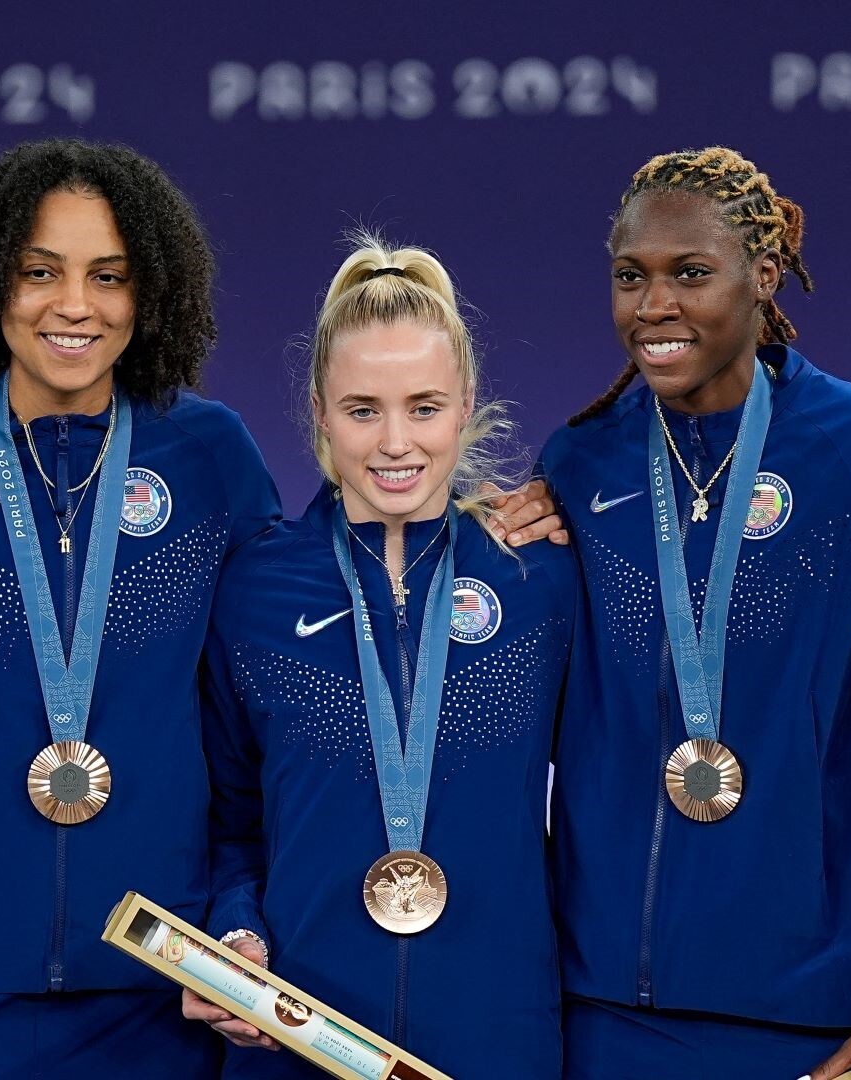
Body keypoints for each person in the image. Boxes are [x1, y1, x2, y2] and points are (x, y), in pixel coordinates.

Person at [0, 140, 566, 1078]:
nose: (75, 304)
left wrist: (512, 517)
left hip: (155, 1000)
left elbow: (271, 725)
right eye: (40, 272)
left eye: (110, 275)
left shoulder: (210, 458)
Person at [540, 147, 851, 1080]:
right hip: (603, 1013)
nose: (654, 306)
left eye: (690, 273)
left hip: (813, 1014)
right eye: (631, 277)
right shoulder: (582, 463)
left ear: (764, 275)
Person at [188, 237, 576, 1078]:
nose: (396, 442)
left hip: (498, 1033)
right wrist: (235, 931)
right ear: (320, 410)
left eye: (425, 406)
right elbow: (227, 820)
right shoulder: (254, 586)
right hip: (298, 1034)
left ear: (468, 402)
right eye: (363, 409)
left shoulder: (541, 576)